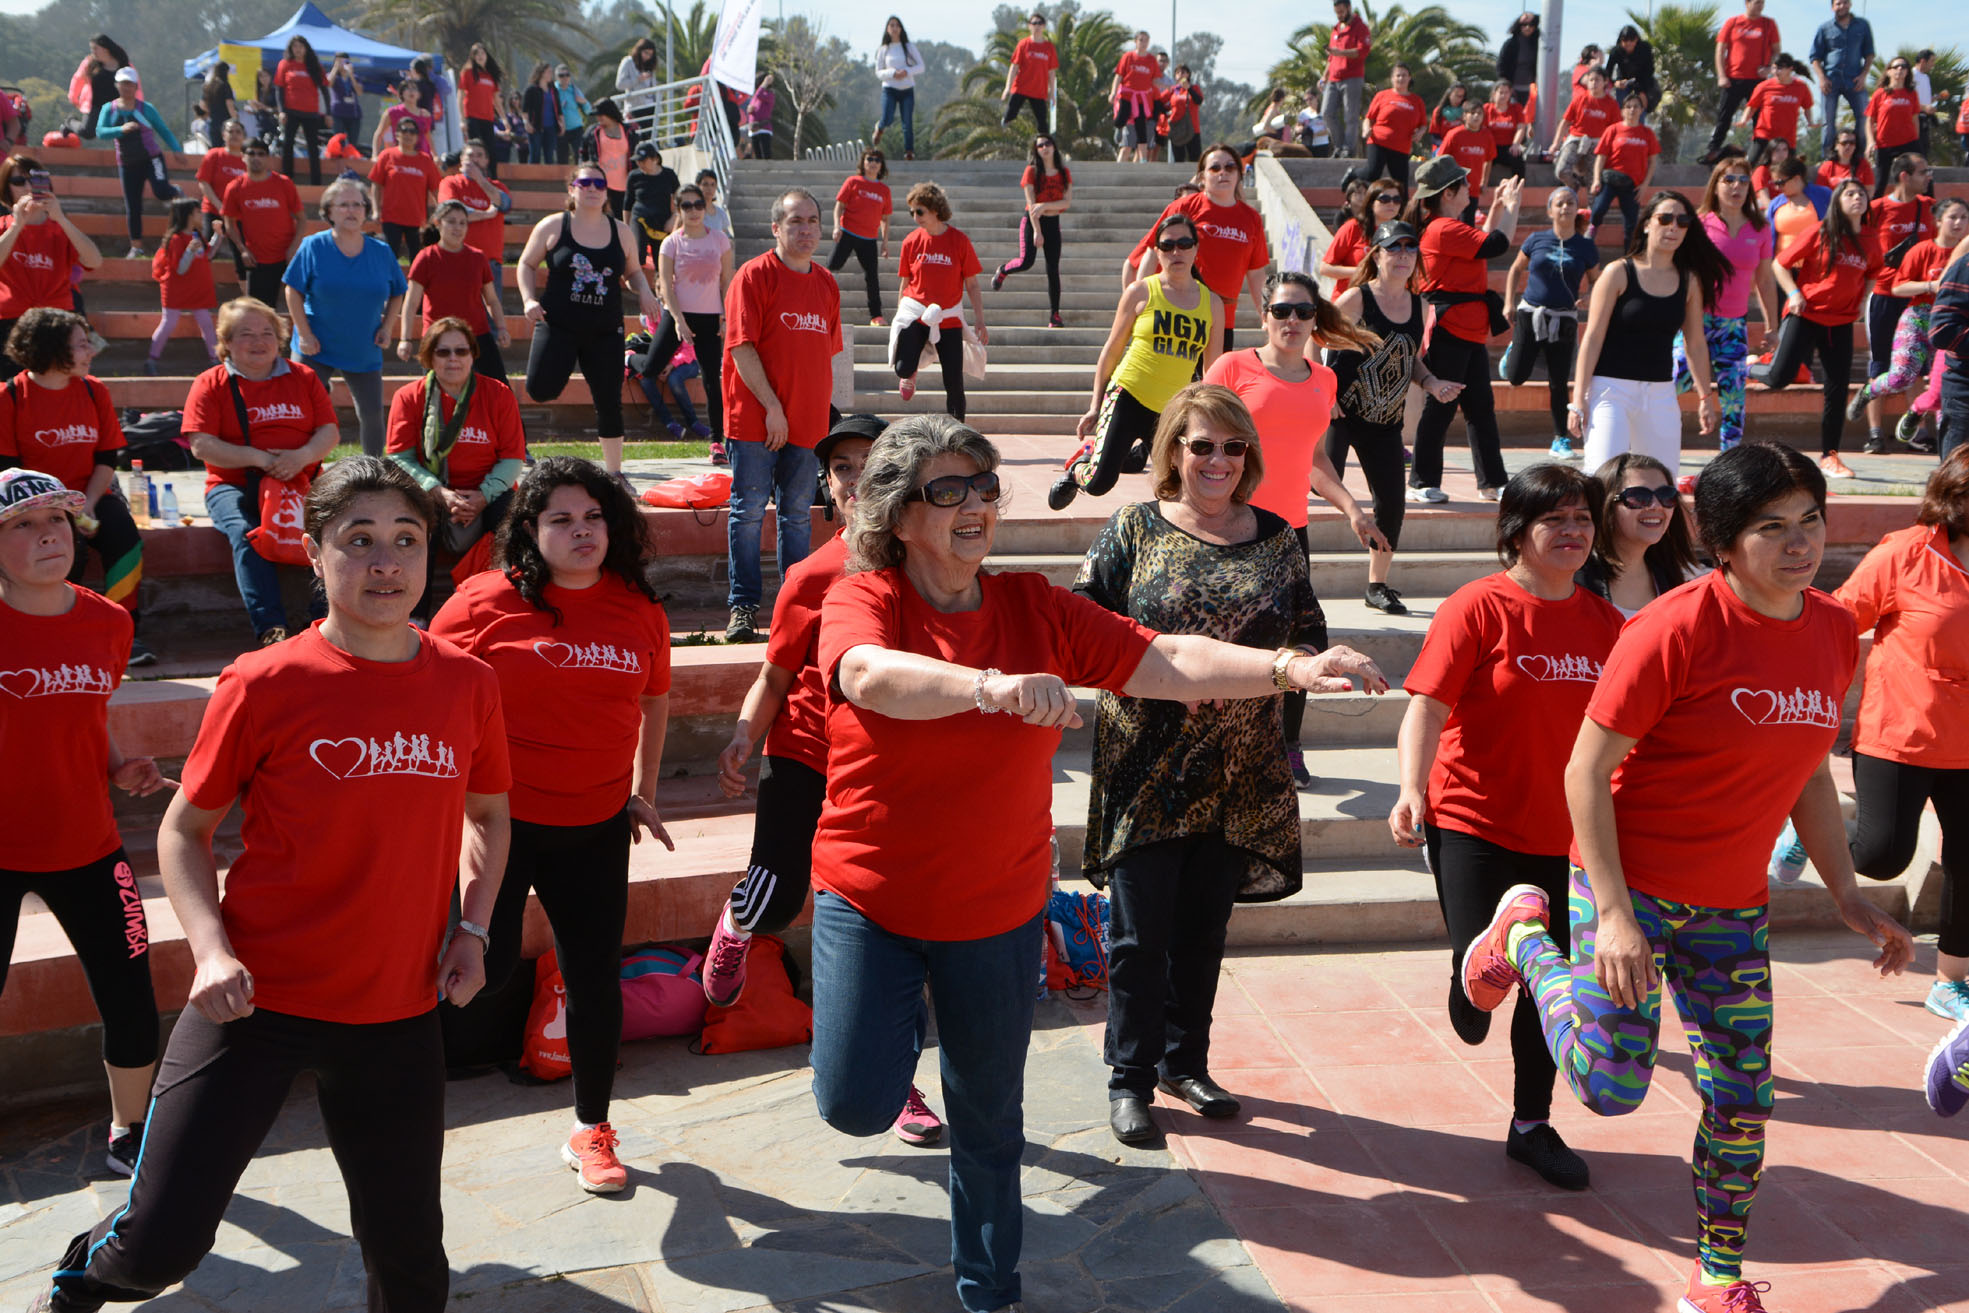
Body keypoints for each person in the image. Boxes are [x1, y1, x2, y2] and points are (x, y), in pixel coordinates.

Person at [807, 412, 1385, 1313]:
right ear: (898, 513)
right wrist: (990, 688)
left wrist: (1288, 670)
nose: (976, 506)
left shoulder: (1032, 605)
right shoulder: (867, 598)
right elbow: (867, 677)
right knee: (851, 1103)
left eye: (985, 487)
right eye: (948, 490)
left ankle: (989, 1288)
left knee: (990, 1118)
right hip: (870, 898)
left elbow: (1168, 657)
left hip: (995, 907)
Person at [33, 456, 513, 1313]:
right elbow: (183, 829)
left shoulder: (467, 683)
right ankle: (86, 1276)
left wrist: (471, 930)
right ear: (313, 550)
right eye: (357, 540)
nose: (385, 563)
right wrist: (211, 953)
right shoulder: (264, 681)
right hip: (253, 1003)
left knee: (410, 1265)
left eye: (405, 540)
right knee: (160, 1244)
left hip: (395, 1012)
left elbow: (489, 818)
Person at [1459, 440, 1914, 1313]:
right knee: (1608, 1084)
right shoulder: (1671, 628)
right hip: (1626, 888)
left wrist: (1847, 890)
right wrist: (1617, 916)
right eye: (1771, 527)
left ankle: (1718, 1272)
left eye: (1810, 520)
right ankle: (1523, 938)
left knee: (1743, 1098)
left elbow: (1810, 770)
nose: (1799, 543)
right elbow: (1583, 772)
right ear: (1722, 539)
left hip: (1730, 908)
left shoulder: (1828, 632)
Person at [1074, 380, 1333, 1145]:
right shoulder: (1134, 527)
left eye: (1231, 446)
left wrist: (1304, 673)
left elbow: (1307, 632)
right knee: (1137, 935)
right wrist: (1155, 679)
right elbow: (1083, 624)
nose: (1217, 460)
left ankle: (1185, 1061)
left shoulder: (1279, 537)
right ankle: (1129, 1077)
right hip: (1146, 763)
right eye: (1200, 445)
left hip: (1237, 766)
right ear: (1172, 453)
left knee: (1201, 931)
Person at [706, 415, 945, 1142]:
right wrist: (744, 735)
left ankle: (895, 1081)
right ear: (827, 483)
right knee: (776, 899)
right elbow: (775, 675)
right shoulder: (809, 577)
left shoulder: (924, 571)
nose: (852, 476)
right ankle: (736, 925)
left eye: (868, 462)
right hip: (805, 750)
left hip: (881, 768)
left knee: (891, 933)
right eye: (840, 466)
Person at [1391, 462, 1622, 1191]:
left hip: (1565, 836)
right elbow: (1426, 705)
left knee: (1546, 982)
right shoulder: (1477, 606)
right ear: (1515, 531)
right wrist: (1408, 789)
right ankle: (1468, 981)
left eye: (1582, 518)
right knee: (1482, 995)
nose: (1572, 531)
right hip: (1472, 819)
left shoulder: (1607, 623)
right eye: (1554, 518)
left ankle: (1530, 1124)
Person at [0, 466, 168, 1180]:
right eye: (22, 525)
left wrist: (118, 764)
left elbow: (84, 715)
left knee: (132, 995)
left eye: (58, 521)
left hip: (90, 844)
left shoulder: (109, 620)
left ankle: (129, 1130)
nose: (48, 536)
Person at [1791, 450, 1967, 1028]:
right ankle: (1814, 831)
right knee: (1881, 858)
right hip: (1902, 733)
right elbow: (1839, 621)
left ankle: (1951, 981)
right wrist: (1814, 710)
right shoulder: (1906, 552)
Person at [1203, 272, 1384, 786]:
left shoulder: (1323, 379)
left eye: (1303, 312)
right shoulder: (1232, 367)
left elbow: (1316, 458)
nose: (1292, 321)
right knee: (1230, 640)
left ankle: (1288, 745)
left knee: (1306, 638)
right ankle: (1221, 747)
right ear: (1264, 316)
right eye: (1282, 311)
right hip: (1230, 526)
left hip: (1290, 531)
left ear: (1314, 319)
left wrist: (1351, 507)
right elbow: (1192, 438)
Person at [721, 188, 841, 643]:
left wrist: (822, 419)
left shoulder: (826, 283)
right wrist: (773, 407)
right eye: (795, 221)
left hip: (807, 425)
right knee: (748, 511)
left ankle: (794, 605)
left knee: (795, 515)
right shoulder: (753, 277)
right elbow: (741, 347)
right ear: (776, 228)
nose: (806, 229)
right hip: (755, 420)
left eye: (812, 220)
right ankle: (743, 607)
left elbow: (824, 356)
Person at [181, 299, 338, 646]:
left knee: (333, 531)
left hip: (301, 479)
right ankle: (271, 629)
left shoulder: (305, 377)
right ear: (226, 341)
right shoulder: (210, 383)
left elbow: (329, 432)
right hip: (234, 483)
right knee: (245, 533)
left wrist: (301, 457)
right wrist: (260, 458)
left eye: (267, 332)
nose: (259, 341)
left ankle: (324, 621)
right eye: (246, 334)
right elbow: (201, 444)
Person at [0, 309, 154, 662]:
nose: (91, 352)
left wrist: (85, 504)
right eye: (82, 345)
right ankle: (59, 633)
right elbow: (9, 473)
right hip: (33, 505)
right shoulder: (9, 397)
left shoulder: (93, 390)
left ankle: (124, 632)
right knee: (66, 549)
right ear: (52, 349)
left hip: (89, 494)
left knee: (124, 537)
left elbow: (106, 457)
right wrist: (56, 512)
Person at [1051, 212, 1222, 511]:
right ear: (1157, 252)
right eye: (1167, 246)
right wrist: (1095, 405)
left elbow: (1213, 369)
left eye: (1184, 243)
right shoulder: (1141, 291)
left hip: (1171, 410)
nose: (1176, 252)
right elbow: (1112, 350)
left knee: (1179, 486)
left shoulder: (1213, 304)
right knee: (1099, 483)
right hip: (1128, 394)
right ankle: (1080, 464)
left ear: (1196, 248)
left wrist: (1210, 416)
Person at [1329, 220, 1450, 616]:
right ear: (1376, 255)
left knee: (1392, 507)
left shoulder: (1421, 305)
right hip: (1342, 413)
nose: (1402, 255)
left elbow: (1410, 358)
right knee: (1317, 484)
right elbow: (1313, 338)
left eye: (1410, 249)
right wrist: (1322, 393)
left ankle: (1376, 585)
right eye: (1393, 248)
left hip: (1385, 423)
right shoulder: (1356, 299)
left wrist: (1431, 383)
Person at [518, 162, 662, 480]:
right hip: (559, 325)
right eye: (586, 183)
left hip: (604, 330)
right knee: (540, 389)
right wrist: (529, 299)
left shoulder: (620, 231)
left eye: (600, 183)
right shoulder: (554, 226)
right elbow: (526, 264)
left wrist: (645, 292)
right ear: (572, 189)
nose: (594, 189)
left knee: (609, 399)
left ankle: (614, 472)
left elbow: (633, 272)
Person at [1572, 191, 1724, 476]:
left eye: (1682, 221)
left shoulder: (1689, 280)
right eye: (1665, 218)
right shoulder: (1618, 272)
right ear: (1646, 224)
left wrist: (1705, 397)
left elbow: (1695, 344)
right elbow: (1592, 338)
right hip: (1610, 389)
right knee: (1603, 476)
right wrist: (1578, 398)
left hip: (1660, 393)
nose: (1673, 227)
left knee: (1662, 482)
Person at [1402, 155, 1521, 503]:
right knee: (1439, 409)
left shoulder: (1450, 226)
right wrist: (1513, 207)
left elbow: (1482, 242)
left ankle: (1492, 482)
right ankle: (1421, 482)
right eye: (1463, 184)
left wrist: (1499, 209)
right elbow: (1496, 245)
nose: (1470, 188)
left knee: (1481, 409)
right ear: (1448, 192)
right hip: (1450, 329)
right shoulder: (1442, 227)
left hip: (1468, 331)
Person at [382, 317, 527, 566]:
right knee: (415, 527)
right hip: (431, 492)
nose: (453, 358)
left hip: (490, 492)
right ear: (429, 357)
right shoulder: (408, 397)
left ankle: (511, 595)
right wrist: (440, 493)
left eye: (461, 351)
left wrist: (482, 496)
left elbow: (513, 459)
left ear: (473, 355)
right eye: (443, 352)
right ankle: (414, 604)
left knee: (515, 524)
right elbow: (399, 459)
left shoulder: (498, 394)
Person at [284, 178, 406, 459]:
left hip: (362, 345)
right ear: (329, 211)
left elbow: (398, 291)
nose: (351, 211)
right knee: (302, 408)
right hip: (315, 344)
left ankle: (374, 473)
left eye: (357, 204)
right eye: (343, 205)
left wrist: (387, 327)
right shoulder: (312, 246)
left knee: (372, 413)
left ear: (366, 210)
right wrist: (304, 334)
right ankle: (299, 466)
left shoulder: (382, 252)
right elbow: (293, 291)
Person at [1766, 179, 1878, 479]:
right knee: (1779, 378)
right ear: (1838, 202)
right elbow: (1780, 263)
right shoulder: (1819, 231)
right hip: (1805, 315)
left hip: (1840, 322)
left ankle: (1830, 456)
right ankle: (1749, 365)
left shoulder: (1870, 237)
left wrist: (1861, 299)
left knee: (1837, 390)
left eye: (1861, 194)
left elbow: (1873, 272)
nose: (1857, 198)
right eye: (1850, 194)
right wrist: (1794, 293)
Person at [1668, 162, 1775, 457]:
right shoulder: (1699, 224)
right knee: (1670, 384)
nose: (1737, 186)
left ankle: (1729, 463)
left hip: (1733, 327)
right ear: (1716, 185)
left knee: (1733, 401)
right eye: (1729, 179)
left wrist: (1772, 326)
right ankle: (1641, 441)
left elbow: (1765, 281)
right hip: (1695, 321)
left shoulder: (1761, 228)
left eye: (1743, 180)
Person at [1847, 197, 1964, 450]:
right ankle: (1869, 392)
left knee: (1943, 390)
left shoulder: (1966, 256)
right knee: (1901, 377)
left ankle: (1947, 456)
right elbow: (1898, 287)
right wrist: (1932, 286)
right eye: (1953, 217)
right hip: (1919, 317)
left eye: (1964, 218)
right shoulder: (1923, 250)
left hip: (1950, 325)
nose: (1958, 223)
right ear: (1939, 220)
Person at [1135, 144, 1269, 352]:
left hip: (1222, 319)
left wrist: (1266, 314)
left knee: (1212, 383)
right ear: (1201, 177)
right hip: (1176, 314)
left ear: (1239, 174)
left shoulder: (1251, 219)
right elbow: (1152, 252)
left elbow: (1256, 273)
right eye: (1215, 168)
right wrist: (1141, 296)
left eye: (1230, 167)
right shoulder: (1183, 207)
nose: (1223, 172)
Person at [1504, 187, 1600, 460]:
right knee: (1515, 377)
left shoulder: (1584, 246)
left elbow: (1597, 279)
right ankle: (1515, 353)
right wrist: (1508, 302)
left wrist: (1590, 295)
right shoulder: (1537, 239)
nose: (1565, 208)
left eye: (1570, 203)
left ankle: (1561, 439)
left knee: (1558, 382)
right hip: (1530, 314)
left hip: (1564, 319)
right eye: (1559, 204)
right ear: (1550, 210)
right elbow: (1515, 269)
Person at [641, 182, 733, 454]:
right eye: (687, 205)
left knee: (711, 381)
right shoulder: (671, 242)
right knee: (649, 369)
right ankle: (627, 359)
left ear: (705, 207)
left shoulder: (719, 240)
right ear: (678, 208)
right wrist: (679, 321)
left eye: (698, 205)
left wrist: (726, 317)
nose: (693, 211)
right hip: (678, 316)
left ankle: (718, 441)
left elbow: (727, 281)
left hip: (709, 318)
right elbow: (667, 286)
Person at [1854, 155, 1936, 450]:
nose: (1928, 176)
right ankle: (1875, 433)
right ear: (1904, 175)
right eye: (1923, 172)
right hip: (1885, 296)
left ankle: (1918, 432)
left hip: (1918, 299)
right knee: (1880, 364)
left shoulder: (1928, 207)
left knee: (1916, 364)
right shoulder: (1876, 209)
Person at [0, 157, 103, 379]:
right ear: (7, 188)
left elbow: (94, 261)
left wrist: (61, 218)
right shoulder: (4, 226)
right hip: (10, 321)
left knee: (57, 389)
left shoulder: (60, 228)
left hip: (56, 320)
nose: (28, 187)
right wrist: (17, 225)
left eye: (35, 180)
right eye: (19, 181)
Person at [890, 182, 985, 420]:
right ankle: (910, 374)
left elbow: (972, 284)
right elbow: (905, 283)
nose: (915, 217)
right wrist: (899, 314)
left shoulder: (959, 241)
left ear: (935, 210)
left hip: (948, 319)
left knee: (953, 381)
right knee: (902, 367)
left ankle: (958, 432)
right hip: (916, 313)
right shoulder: (911, 241)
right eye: (912, 212)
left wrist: (980, 320)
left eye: (919, 211)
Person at [1576, 452, 1702, 616]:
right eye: (1638, 497)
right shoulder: (1575, 577)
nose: (1656, 506)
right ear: (1606, 505)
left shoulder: (1675, 576)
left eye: (1666, 495)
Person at [402, 201, 511, 382]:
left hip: (477, 336)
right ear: (438, 223)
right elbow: (411, 302)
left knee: (498, 391)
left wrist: (501, 328)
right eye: (451, 221)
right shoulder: (426, 257)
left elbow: (491, 300)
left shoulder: (478, 257)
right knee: (435, 400)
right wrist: (405, 339)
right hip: (438, 338)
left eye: (463, 222)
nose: (457, 227)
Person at [94, 68, 179, 261]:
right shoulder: (110, 108)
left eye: (130, 84)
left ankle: (176, 191)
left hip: (151, 158)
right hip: (127, 162)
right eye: (123, 84)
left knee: (161, 191)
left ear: (136, 87)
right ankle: (137, 247)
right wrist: (120, 129)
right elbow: (100, 131)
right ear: (117, 86)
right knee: (133, 205)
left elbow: (163, 130)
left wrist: (177, 150)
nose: (126, 88)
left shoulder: (145, 108)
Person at [990, 135, 1071, 328]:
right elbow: (1031, 205)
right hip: (1032, 222)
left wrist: (1045, 206)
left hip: (1053, 222)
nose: (1044, 147)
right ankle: (1003, 270)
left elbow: (1066, 202)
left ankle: (1055, 315)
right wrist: (1037, 230)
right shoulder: (1031, 171)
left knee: (1053, 269)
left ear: (1054, 146)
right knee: (1027, 261)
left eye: (1048, 144)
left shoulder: (1063, 172)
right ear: (1036, 150)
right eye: (1040, 145)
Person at [221, 138, 304, 308]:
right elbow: (229, 222)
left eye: (261, 154)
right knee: (260, 310)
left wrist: (293, 248)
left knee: (301, 305)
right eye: (251, 153)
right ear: (243, 156)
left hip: (287, 256)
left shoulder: (284, 183)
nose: (256, 157)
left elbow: (302, 219)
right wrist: (242, 249)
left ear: (268, 158)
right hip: (258, 259)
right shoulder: (235, 188)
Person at [147, 198, 221, 374]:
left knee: (207, 323)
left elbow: (208, 254)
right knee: (169, 322)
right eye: (197, 212)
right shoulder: (176, 239)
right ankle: (151, 359)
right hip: (177, 289)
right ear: (188, 215)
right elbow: (180, 269)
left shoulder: (197, 236)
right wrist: (189, 251)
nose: (201, 215)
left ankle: (215, 360)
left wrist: (218, 234)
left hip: (197, 289)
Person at [1704, 0, 1782, 163]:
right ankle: (1713, 150)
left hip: (1758, 81)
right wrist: (1721, 75)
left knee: (1760, 119)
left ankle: (1760, 152)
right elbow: (1720, 50)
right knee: (1724, 116)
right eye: (1756, 2)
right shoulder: (1733, 22)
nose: (1759, 6)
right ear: (1747, 3)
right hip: (1733, 78)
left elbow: (1777, 52)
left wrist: (1769, 68)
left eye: (1762, 3)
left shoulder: (1769, 24)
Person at [829, 148, 893, 326]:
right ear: (863, 163)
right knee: (832, 265)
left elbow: (885, 219)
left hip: (869, 239)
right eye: (869, 159)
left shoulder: (884, 190)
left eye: (877, 160)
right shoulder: (853, 182)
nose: (873, 163)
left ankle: (876, 316)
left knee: (872, 276)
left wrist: (885, 243)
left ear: (881, 166)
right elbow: (839, 206)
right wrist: (836, 227)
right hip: (848, 232)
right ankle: (818, 303)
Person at [438, 142, 512, 286]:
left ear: (486, 161)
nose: (475, 159)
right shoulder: (450, 183)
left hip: (489, 263)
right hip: (457, 258)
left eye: (479, 155)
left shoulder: (497, 187)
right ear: (462, 159)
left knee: (491, 308)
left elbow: (504, 205)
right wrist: (486, 214)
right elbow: (451, 212)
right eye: (470, 155)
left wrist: (480, 180)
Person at [1590, 93, 1659, 248]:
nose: (1632, 110)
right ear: (1622, 111)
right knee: (1598, 210)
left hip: (1633, 184)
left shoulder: (1647, 133)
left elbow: (1653, 161)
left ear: (1642, 110)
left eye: (1636, 106)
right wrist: (1596, 179)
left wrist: (1645, 185)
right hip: (1610, 180)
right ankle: (1590, 235)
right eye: (1628, 107)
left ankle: (1629, 256)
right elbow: (1600, 157)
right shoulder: (1612, 130)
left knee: (1631, 224)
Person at [369, 119, 440, 262]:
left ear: (418, 136)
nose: (408, 134)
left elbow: (436, 189)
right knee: (389, 259)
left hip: (416, 220)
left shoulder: (425, 160)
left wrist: (441, 213)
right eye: (404, 130)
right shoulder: (387, 155)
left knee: (418, 260)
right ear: (397, 134)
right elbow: (376, 185)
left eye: (413, 131)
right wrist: (376, 210)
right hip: (391, 217)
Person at [1809, 0, 1874, 156]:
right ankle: (1828, 158)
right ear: (1832, 7)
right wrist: (1822, 78)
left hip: (1854, 79)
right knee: (1828, 121)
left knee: (1863, 117)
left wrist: (1864, 75)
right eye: (1838, 3)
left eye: (1845, 2)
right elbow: (1814, 57)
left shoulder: (1862, 25)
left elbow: (1869, 54)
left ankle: (1859, 156)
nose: (1841, 6)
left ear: (1850, 4)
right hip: (1831, 79)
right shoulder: (1824, 28)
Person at [1315, 178, 1402, 289]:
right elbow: (1325, 268)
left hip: (1385, 300)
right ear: (1371, 202)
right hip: (1350, 299)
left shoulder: (1401, 232)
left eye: (1397, 199)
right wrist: (1361, 271)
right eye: (1385, 199)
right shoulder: (1353, 227)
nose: (1391, 204)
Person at [1738, 53, 1814, 170]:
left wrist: (1810, 122)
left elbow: (1807, 107)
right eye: (1773, 68)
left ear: (1790, 69)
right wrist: (1744, 120)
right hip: (1764, 135)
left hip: (1787, 137)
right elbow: (1752, 106)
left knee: (1790, 170)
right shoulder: (1764, 86)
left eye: (1779, 68)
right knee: (1749, 165)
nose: (1776, 71)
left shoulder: (1801, 87)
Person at [272, 36, 329, 186]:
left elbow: (324, 90)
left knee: (312, 146)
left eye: (301, 46)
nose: (298, 50)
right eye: (295, 47)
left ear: (306, 48)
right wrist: (282, 110)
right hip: (291, 111)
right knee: (288, 143)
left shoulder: (315, 66)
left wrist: (328, 113)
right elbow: (279, 89)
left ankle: (316, 182)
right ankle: (287, 178)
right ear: (291, 49)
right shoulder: (285, 64)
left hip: (310, 112)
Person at [1867, 60, 1925, 202]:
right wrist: (1870, 141)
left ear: (1907, 72)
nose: (1900, 69)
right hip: (1885, 143)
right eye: (1896, 67)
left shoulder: (1911, 94)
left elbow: (1915, 119)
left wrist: (1915, 141)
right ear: (1889, 71)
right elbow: (1869, 120)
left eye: (1904, 67)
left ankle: (1930, 211)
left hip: (1908, 142)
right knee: (1881, 182)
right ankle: (1870, 216)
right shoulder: (1880, 94)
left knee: (1923, 176)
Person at [1362, 63, 1425, 188]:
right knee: (1372, 173)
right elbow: (1369, 118)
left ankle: (1402, 207)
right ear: (1392, 78)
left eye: (1404, 75)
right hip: (1379, 141)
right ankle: (1352, 174)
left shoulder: (1417, 101)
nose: (1401, 78)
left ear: (1409, 78)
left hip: (1401, 147)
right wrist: (1365, 130)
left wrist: (1420, 133)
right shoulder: (1382, 95)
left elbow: (1423, 124)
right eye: (1398, 75)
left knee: (1401, 186)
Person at [1322, 0, 1371, 157]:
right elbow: (1331, 57)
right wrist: (1324, 76)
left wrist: (1341, 53)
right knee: (1326, 113)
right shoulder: (1336, 29)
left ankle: (1348, 150)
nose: (1339, 15)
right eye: (1337, 12)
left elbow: (1362, 51)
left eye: (1342, 12)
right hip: (1333, 78)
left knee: (1350, 116)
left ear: (1349, 8)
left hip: (1352, 77)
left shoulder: (1360, 27)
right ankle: (1339, 145)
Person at [195, 119, 249, 261]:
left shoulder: (248, 160)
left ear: (244, 136)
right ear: (223, 135)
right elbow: (203, 182)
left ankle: (244, 283)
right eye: (230, 131)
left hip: (239, 215)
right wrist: (220, 206)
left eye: (238, 132)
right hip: (213, 210)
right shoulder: (214, 155)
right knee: (204, 251)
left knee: (243, 255)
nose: (235, 135)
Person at [873, 16, 925, 159]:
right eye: (891, 25)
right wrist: (892, 73)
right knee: (888, 118)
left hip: (907, 90)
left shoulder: (909, 47)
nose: (894, 28)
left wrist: (907, 72)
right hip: (890, 89)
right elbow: (878, 72)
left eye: (897, 25)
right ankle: (880, 128)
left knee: (907, 122)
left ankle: (909, 152)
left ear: (901, 29)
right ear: (887, 29)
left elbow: (921, 67)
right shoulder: (884, 49)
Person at [625, 143, 680, 271]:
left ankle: (659, 286)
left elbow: (680, 199)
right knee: (638, 254)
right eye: (638, 161)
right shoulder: (634, 176)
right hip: (640, 218)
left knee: (662, 261)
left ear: (655, 159)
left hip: (662, 222)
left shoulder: (669, 174)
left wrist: (674, 219)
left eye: (643, 160)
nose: (640, 164)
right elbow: (627, 204)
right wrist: (626, 228)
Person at [1002, 13, 1058, 134]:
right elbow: (1014, 67)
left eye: (1039, 23)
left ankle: (1044, 145)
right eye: (1034, 23)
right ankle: (1003, 133)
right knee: (1010, 115)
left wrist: (1052, 93)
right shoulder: (1023, 45)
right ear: (1029, 26)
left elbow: (1052, 72)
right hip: (1021, 88)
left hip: (1038, 91)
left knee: (1042, 123)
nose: (1037, 26)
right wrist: (1007, 88)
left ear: (1044, 26)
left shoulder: (1049, 48)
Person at [581, 99, 637, 217]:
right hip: (601, 184)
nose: (599, 118)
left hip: (624, 185)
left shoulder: (629, 131)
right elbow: (583, 153)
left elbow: (635, 154)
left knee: (621, 219)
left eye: (601, 115)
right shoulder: (593, 132)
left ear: (610, 113)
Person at [1435, 112, 1494, 224]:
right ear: (1464, 116)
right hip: (1454, 190)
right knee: (1451, 223)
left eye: (1479, 113)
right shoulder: (1454, 134)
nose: (1476, 116)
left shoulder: (1487, 135)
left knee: (1468, 225)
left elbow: (1489, 160)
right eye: (1473, 113)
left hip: (1473, 190)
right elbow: (1441, 158)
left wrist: (1484, 182)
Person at [1111, 31, 1160, 164]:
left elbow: (1155, 81)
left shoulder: (1151, 60)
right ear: (1136, 41)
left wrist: (1169, 87)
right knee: (1121, 119)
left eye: (1146, 41)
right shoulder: (1128, 57)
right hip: (1127, 95)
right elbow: (1119, 75)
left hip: (1142, 99)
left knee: (1141, 127)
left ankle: (1143, 160)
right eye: (1141, 40)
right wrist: (1113, 92)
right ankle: (1119, 130)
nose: (1143, 43)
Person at [459, 43, 504, 177]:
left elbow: (496, 100)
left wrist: (504, 119)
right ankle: (473, 177)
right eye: (477, 54)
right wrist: (462, 120)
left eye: (482, 53)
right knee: (475, 150)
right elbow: (460, 95)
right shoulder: (467, 72)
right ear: (472, 57)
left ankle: (493, 180)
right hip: (472, 117)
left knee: (490, 151)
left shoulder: (491, 76)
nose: (480, 56)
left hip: (488, 118)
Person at [1604, 25, 1660, 120]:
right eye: (1625, 40)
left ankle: (1639, 130)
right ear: (1621, 40)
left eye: (1632, 40)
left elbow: (1649, 71)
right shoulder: (1616, 51)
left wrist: (1641, 91)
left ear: (1636, 39)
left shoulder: (1645, 48)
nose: (1628, 43)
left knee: (1639, 108)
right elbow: (1607, 72)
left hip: (1642, 81)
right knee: (1622, 109)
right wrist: (1615, 83)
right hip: (1624, 82)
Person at [1481, 80, 1530, 185]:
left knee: (1517, 157)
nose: (1503, 95)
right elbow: (1483, 130)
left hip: (1509, 146)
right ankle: (1480, 185)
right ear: (1494, 94)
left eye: (1506, 92)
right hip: (1491, 147)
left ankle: (1517, 186)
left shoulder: (1516, 108)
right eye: (1501, 92)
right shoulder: (1487, 109)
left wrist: (1516, 144)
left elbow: (1521, 128)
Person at [372, 76, 435, 158]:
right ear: (401, 94)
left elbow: (428, 138)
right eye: (407, 88)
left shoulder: (425, 114)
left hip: (423, 159)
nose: (411, 91)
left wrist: (435, 155)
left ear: (419, 94)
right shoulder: (392, 112)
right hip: (400, 158)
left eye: (414, 88)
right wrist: (375, 155)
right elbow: (379, 134)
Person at [1162, 64, 1205, 165]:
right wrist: (1166, 113)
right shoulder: (1173, 90)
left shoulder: (1194, 88)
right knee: (1178, 159)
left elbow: (1198, 100)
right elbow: (1159, 101)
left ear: (1188, 75)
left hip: (1192, 128)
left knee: (1195, 158)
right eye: (1178, 73)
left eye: (1183, 72)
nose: (1181, 75)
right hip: (1177, 128)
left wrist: (1188, 88)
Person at [1496, 11, 1541, 106]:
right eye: (1524, 24)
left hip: (1532, 90)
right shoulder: (1510, 44)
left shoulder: (1539, 44)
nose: (1528, 27)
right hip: (1512, 90)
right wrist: (1505, 86)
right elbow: (1501, 65)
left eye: (1531, 24)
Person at [524, 63, 563, 166]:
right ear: (541, 73)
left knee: (549, 156)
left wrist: (562, 124)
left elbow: (558, 109)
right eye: (549, 72)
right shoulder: (531, 90)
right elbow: (525, 110)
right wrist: (527, 123)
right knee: (535, 154)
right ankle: (531, 178)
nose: (551, 74)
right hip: (536, 127)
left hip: (551, 127)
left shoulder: (553, 90)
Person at [1815, 127, 1873, 191]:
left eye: (1852, 143)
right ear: (1836, 146)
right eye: (1844, 143)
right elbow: (1821, 193)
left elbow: (1869, 191)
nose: (1848, 146)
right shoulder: (1827, 167)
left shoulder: (1863, 165)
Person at [327, 55, 362, 156]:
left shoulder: (355, 77)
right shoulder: (334, 76)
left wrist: (351, 75)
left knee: (353, 143)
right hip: (338, 113)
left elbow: (359, 92)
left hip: (353, 114)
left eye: (345, 62)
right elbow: (328, 83)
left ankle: (351, 161)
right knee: (339, 141)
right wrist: (335, 68)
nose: (343, 64)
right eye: (340, 62)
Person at [201, 62, 239, 146]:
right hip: (226, 122)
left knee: (215, 148)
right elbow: (229, 104)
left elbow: (203, 106)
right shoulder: (225, 85)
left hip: (213, 122)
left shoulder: (208, 86)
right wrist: (235, 118)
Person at [742, 74, 776, 160]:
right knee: (758, 156)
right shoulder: (755, 97)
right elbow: (754, 105)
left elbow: (759, 94)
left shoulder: (769, 94)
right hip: (754, 130)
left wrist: (765, 82)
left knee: (766, 155)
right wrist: (749, 110)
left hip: (764, 129)